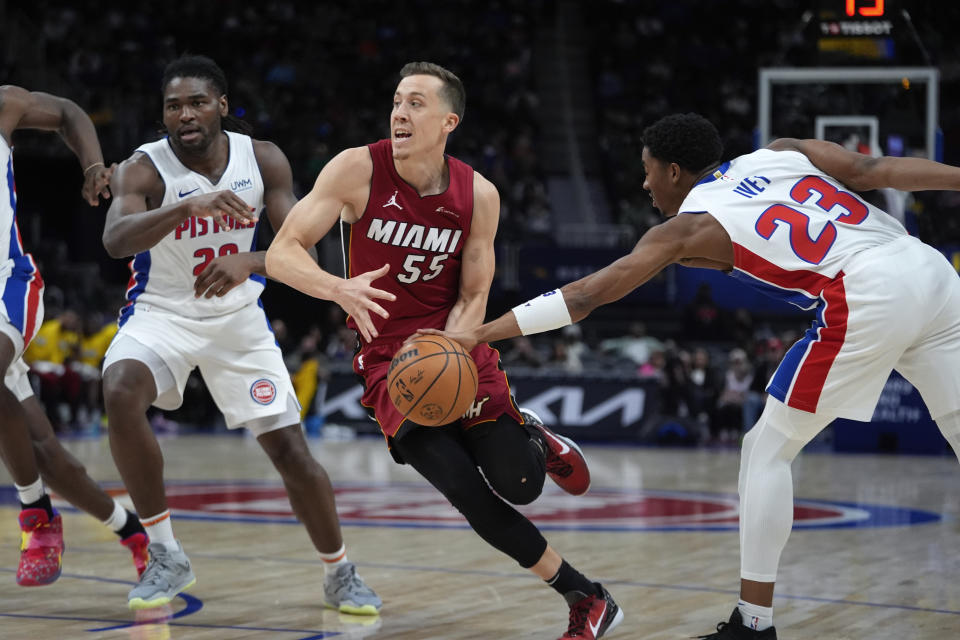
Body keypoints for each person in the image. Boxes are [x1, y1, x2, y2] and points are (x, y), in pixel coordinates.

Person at [420, 112, 960, 639]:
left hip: (867, 290)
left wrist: (476, 335)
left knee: (766, 450)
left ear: (674, 171)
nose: (645, 182)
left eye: (649, 168)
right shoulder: (783, 151)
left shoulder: (688, 227)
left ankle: (754, 625)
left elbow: (585, 296)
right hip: (929, 267)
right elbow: (873, 173)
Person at [265, 62, 623, 640]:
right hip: (388, 366)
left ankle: (535, 438)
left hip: (455, 348)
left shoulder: (478, 193)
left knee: (522, 487)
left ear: (447, 121)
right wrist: (339, 288)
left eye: (416, 104)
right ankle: (587, 596)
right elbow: (283, 253)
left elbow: (476, 289)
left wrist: (451, 346)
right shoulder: (358, 168)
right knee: (466, 492)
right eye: (397, 102)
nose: (400, 114)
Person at [100, 55, 381, 614]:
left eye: (197, 102)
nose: (185, 114)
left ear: (221, 106)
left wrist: (250, 260)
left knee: (291, 453)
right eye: (173, 106)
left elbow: (310, 248)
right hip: (162, 313)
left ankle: (340, 572)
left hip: (237, 321)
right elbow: (115, 239)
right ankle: (165, 552)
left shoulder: (263, 159)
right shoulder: (144, 169)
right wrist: (184, 207)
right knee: (119, 390)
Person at [0, 84, 148, 585]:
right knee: (47, 455)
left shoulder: (3, 105)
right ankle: (134, 532)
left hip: (8, 285)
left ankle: (36, 515)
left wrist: (91, 165)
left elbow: (67, 112)